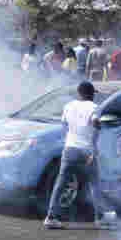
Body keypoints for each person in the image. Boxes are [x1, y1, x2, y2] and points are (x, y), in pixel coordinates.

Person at [44, 81, 100, 229]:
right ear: (91, 94)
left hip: (69, 149)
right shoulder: (94, 107)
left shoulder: (68, 106)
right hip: (86, 150)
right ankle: (100, 217)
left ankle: (51, 217)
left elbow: (64, 124)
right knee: (95, 184)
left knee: (60, 183)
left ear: (79, 93)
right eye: (94, 93)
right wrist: (94, 149)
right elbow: (95, 124)